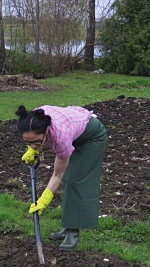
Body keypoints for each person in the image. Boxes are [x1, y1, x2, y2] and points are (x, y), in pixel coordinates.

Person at [16, 104, 107, 250]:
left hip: (91, 137)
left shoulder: (60, 137)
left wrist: (44, 199)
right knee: (68, 181)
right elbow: (32, 136)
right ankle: (67, 226)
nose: (33, 146)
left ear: (46, 131)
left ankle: (73, 232)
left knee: (74, 180)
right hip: (74, 130)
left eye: (37, 142)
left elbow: (58, 174)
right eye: (28, 142)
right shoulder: (33, 119)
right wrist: (31, 148)